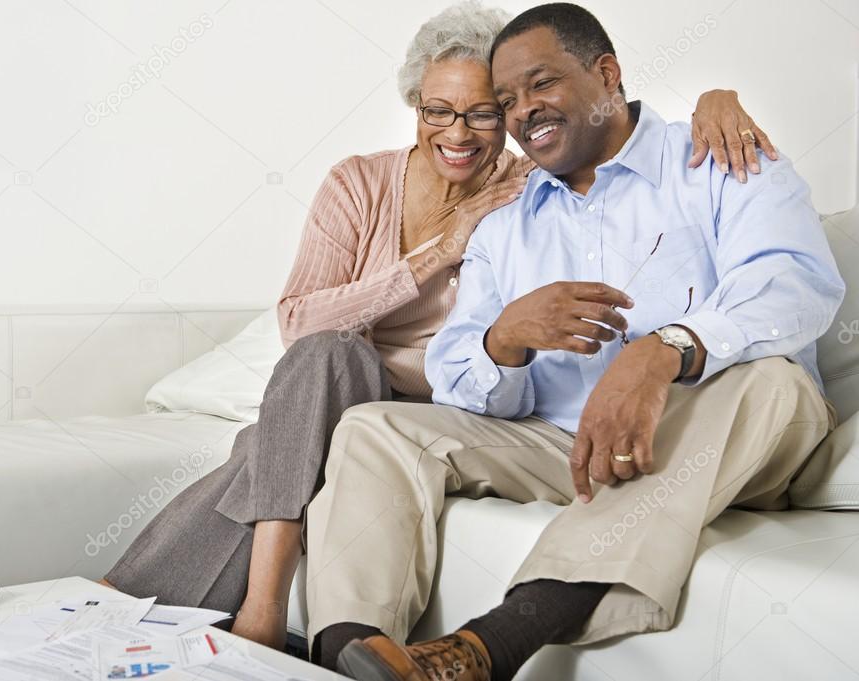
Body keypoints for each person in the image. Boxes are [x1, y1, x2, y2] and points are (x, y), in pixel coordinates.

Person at [102, 1, 780, 651]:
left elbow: (611, 127)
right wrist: (441, 247)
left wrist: (713, 100)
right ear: (414, 107)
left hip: (447, 404)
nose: (457, 133)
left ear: (506, 115)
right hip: (342, 385)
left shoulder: (530, 184)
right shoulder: (360, 184)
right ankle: (271, 611)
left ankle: (117, 599)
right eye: (438, 111)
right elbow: (296, 321)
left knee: (275, 439)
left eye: (484, 112)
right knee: (327, 358)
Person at [305, 3, 845, 678]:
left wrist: (664, 349)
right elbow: (457, 379)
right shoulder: (506, 225)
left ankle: (485, 647)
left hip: (737, 433)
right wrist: (502, 341)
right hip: (568, 442)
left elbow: (794, 285)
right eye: (505, 100)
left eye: (541, 83)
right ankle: (349, 657)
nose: (522, 110)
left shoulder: (716, 159)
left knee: (770, 379)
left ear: (606, 73)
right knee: (372, 428)